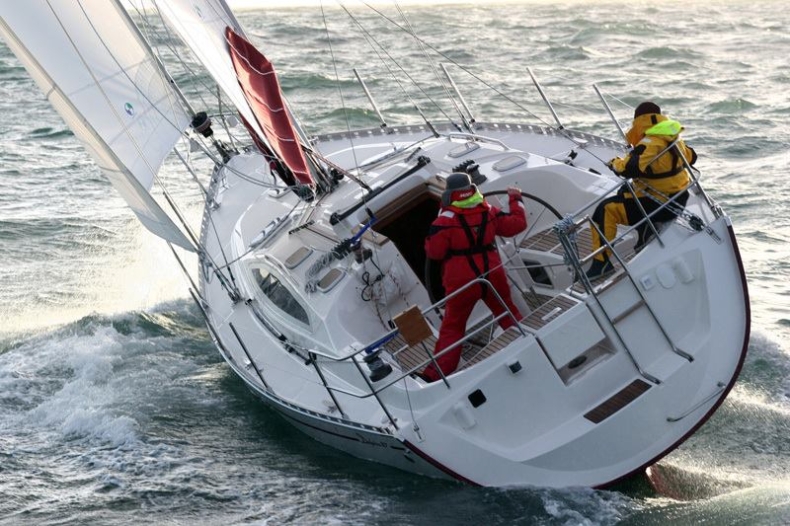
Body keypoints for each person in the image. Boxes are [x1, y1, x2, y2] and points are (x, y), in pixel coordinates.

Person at [420, 173, 527, 382]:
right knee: (507, 311)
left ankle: (436, 376)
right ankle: (530, 341)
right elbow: (517, 224)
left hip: (462, 280)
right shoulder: (488, 211)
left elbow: (434, 252)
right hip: (492, 273)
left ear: (449, 194)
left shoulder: (444, 221)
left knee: (453, 327)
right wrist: (516, 199)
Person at [586, 101, 697, 280]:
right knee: (625, 192)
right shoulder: (674, 137)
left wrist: (614, 162)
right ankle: (645, 233)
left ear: (640, 121)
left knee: (605, 209)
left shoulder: (650, 142)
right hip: (677, 198)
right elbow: (692, 156)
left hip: (659, 205)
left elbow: (629, 168)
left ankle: (601, 264)